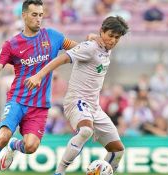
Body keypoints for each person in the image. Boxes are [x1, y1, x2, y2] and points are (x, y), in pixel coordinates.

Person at [0, 0, 102, 174]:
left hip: (39, 106)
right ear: (24, 15)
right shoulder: (11, 44)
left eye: (41, 15)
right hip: (17, 100)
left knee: (31, 146)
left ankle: (14, 145)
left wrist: (89, 40)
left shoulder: (53, 36)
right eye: (34, 14)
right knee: (3, 137)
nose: (38, 19)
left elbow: (78, 49)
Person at [25, 16, 129, 175]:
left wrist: (91, 36)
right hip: (77, 101)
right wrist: (39, 76)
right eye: (110, 35)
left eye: (117, 38)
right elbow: (62, 59)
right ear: (102, 31)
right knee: (86, 131)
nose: (113, 40)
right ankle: (59, 172)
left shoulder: (104, 49)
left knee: (117, 151)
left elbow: (91, 41)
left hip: (94, 107)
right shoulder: (91, 47)